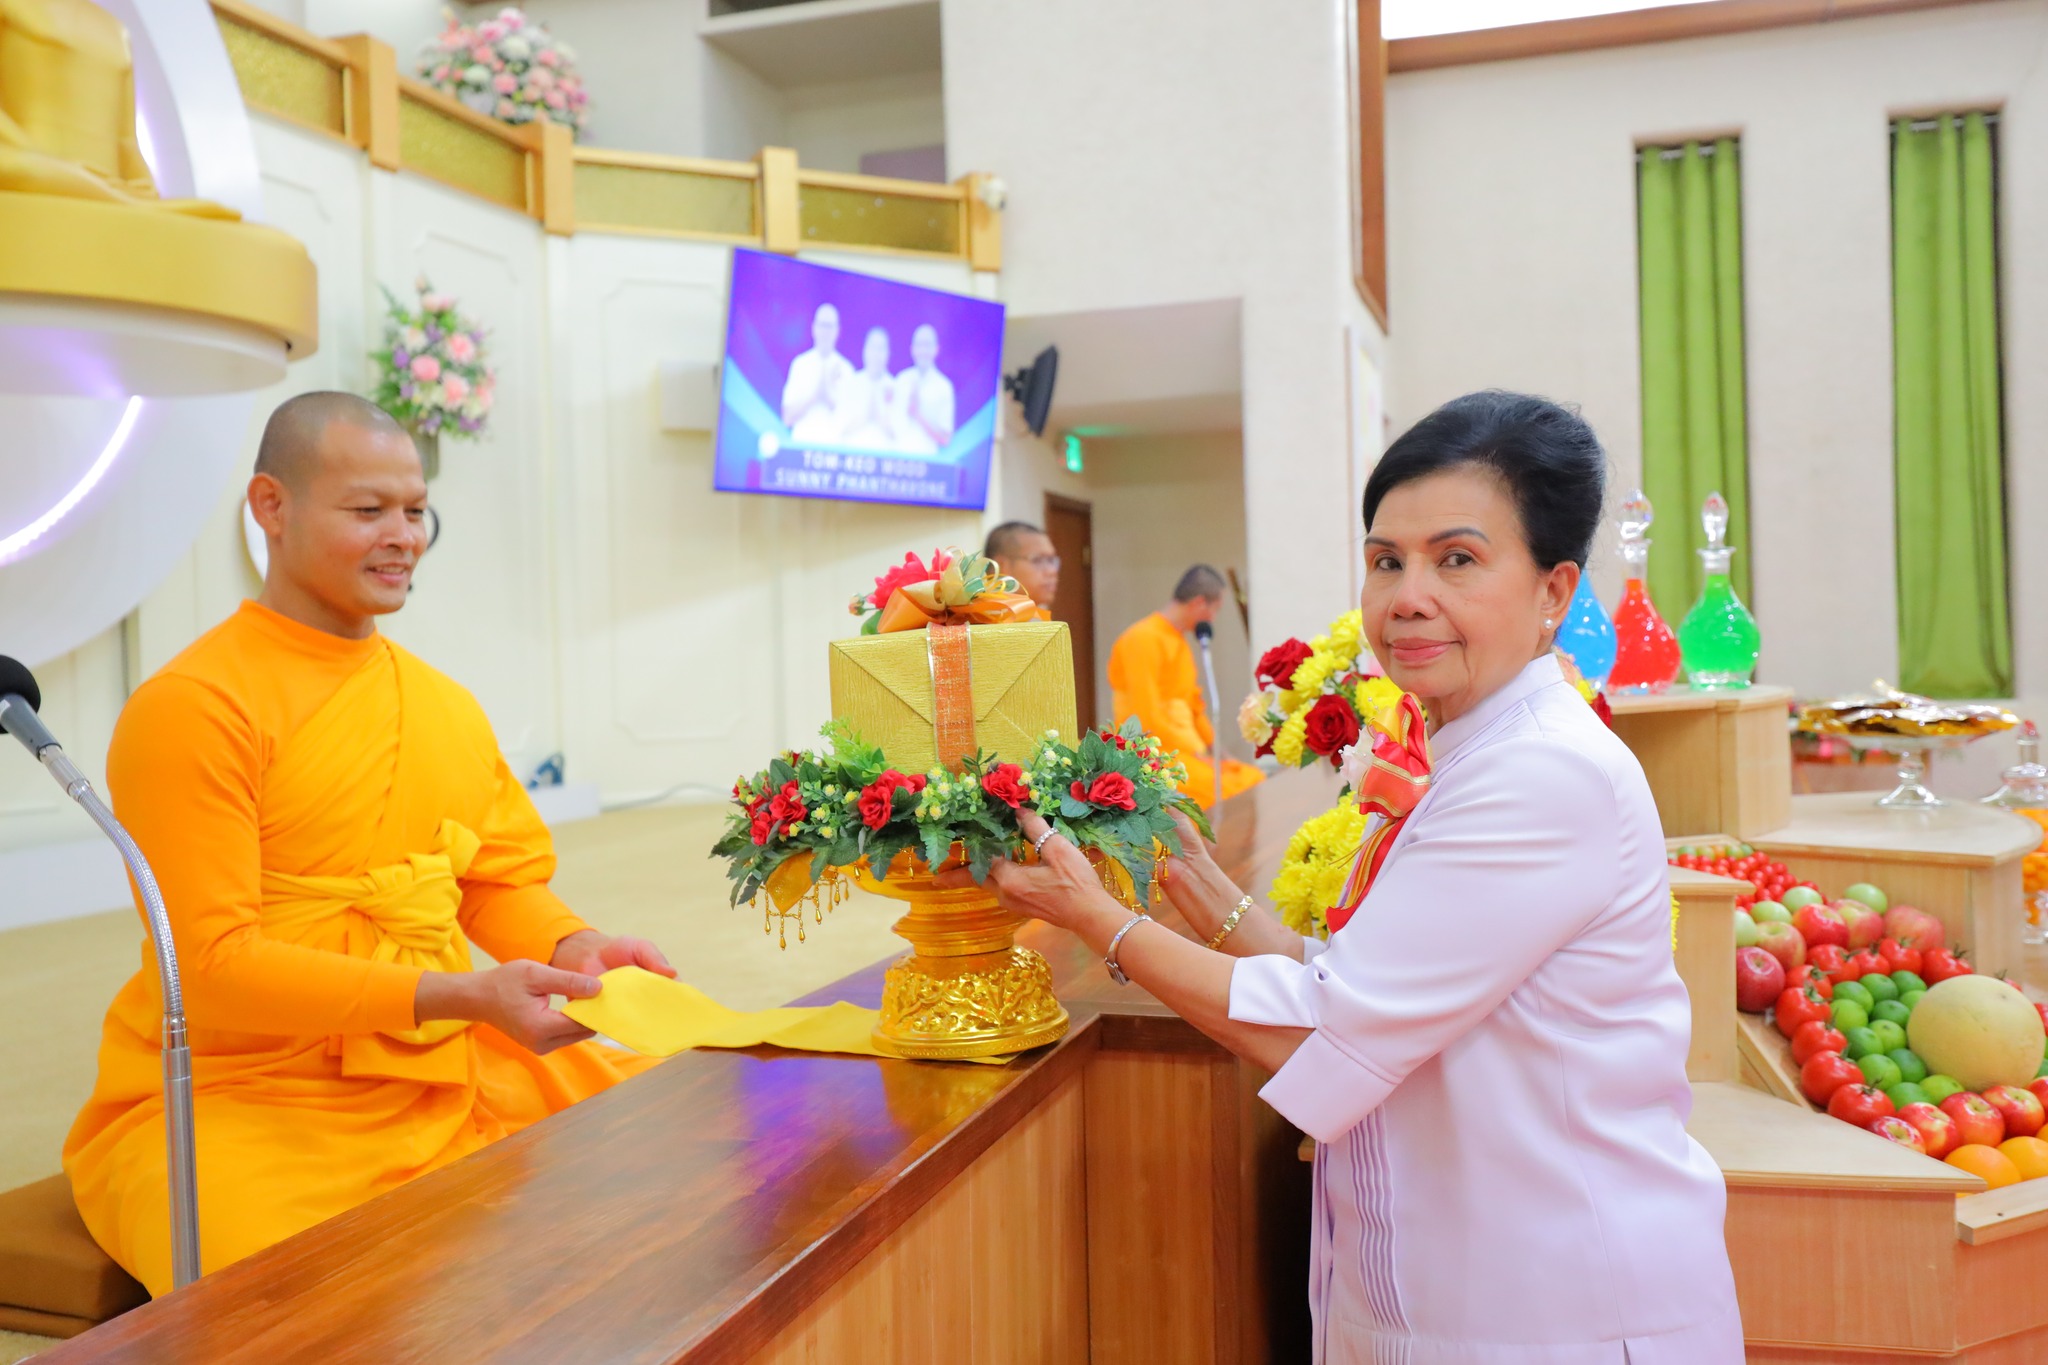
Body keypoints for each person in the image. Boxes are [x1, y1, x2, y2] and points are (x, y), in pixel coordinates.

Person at [956, 392, 1742, 1363]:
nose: (1405, 596)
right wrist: (1200, 888)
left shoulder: (1542, 773)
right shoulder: (1471, 750)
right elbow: (1366, 986)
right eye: (1385, 561)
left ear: (1553, 593)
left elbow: (1323, 1023)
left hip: (1552, 1309)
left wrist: (1094, 918)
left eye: (1455, 559)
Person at [63, 393, 675, 1296]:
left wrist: (570, 947)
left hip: (445, 1051)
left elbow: (492, 881)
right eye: (368, 510)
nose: (403, 536)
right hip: (253, 1093)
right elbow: (214, 965)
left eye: (416, 509)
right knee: (306, 1294)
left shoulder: (442, 704)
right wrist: (460, 994)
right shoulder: (193, 707)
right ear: (271, 506)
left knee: (676, 1146)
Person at [1106, 566, 1263, 807]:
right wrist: (1189, 754)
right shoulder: (1141, 639)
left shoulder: (1178, 641)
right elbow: (1143, 716)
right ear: (1200, 603)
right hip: (1156, 758)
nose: (1213, 619)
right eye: (1215, 610)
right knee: (1229, 792)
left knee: (1251, 777)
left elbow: (1194, 707)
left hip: (1188, 754)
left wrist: (1218, 753)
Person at [781, 303, 851, 444]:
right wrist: (813, 397)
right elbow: (787, 418)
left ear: (838, 331)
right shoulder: (800, 364)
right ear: (814, 328)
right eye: (822, 325)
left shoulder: (846, 369)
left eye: (830, 326)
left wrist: (828, 397)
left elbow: (850, 424)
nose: (825, 331)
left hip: (833, 451)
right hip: (802, 449)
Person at [892, 323, 955, 454]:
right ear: (912, 349)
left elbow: (945, 439)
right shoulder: (901, 379)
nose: (923, 351)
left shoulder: (944, 386)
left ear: (936, 349)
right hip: (897, 458)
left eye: (927, 345)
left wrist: (918, 415)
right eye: (919, 345)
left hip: (927, 461)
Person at [984, 520, 1059, 617]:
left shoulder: (1034, 620)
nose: (1052, 571)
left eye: (1051, 560)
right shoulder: (978, 623)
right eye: (1037, 560)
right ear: (1001, 566)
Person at [839, 326, 898, 449]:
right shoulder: (851, 383)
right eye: (872, 347)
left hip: (885, 457)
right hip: (854, 454)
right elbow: (839, 429)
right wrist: (864, 418)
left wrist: (878, 417)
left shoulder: (895, 386)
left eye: (881, 348)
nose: (876, 354)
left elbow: (899, 435)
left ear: (888, 353)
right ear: (864, 350)